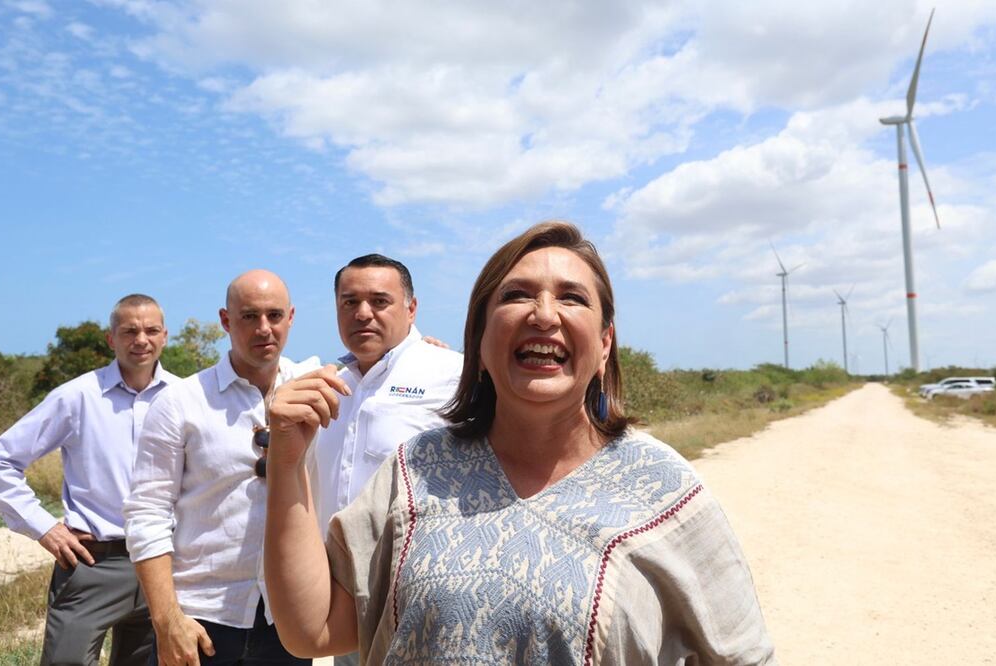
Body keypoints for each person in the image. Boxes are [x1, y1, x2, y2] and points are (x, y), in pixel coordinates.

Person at [261, 221, 778, 664]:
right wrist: (287, 459)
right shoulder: (416, 471)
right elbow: (313, 628)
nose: (544, 314)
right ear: (480, 343)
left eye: (572, 298)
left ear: (604, 345)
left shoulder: (664, 491)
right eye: (516, 295)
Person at [122, 270, 327, 666]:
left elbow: (379, 369)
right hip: (201, 619)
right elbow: (146, 513)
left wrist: (423, 343)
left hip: (286, 618)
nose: (264, 328)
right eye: (249, 316)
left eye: (275, 315)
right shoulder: (180, 402)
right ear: (225, 320)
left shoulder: (314, 385)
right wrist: (167, 621)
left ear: (292, 317)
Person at [0, 294, 176, 666]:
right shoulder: (77, 397)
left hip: (165, 562)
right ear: (110, 338)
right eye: (129, 331)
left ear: (165, 336)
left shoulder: (183, 398)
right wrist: (45, 528)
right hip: (93, 564)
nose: (141, 339)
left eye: (150, 330)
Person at [310, 254, 463, 536]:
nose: (363, 313)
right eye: (350, 302)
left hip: (409, 574)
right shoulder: (327, 390)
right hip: (327, 572)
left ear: (411, 309)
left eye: (380, 301)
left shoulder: (453, 376)